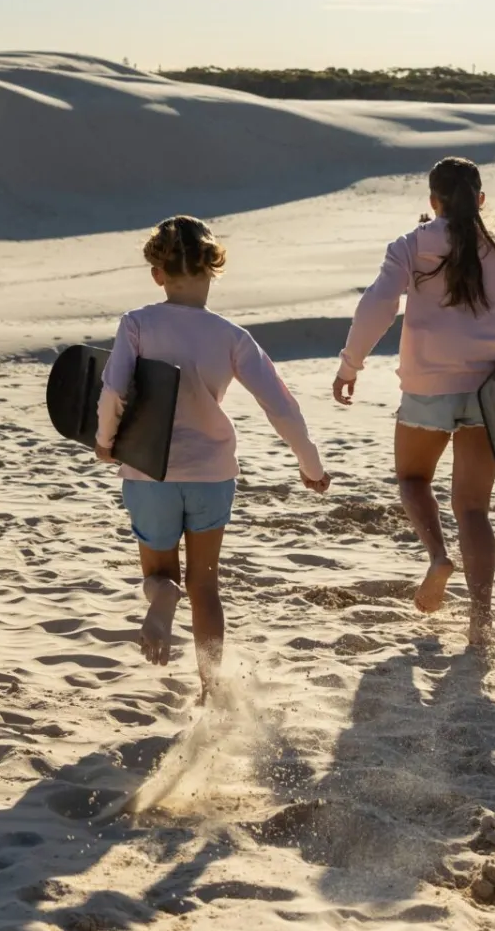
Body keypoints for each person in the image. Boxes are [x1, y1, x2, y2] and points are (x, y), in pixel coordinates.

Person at [96, 217, 330, 700]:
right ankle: (211, 688)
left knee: (161, 575)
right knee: (206, 586)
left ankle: (161, 598)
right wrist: (311, 465)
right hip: (211, 475)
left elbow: (113, 390)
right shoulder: (231, 336)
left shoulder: (137, 323)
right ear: (212, 271)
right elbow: (280, 404)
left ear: (157, 274)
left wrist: (105, 439)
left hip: (150, 470)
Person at [332, 157, 495, 649]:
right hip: (488, 392)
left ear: (433, 201)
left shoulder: (411, 247)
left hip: (426, 387)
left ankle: (437, 556)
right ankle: (481, 621)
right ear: (480, 200)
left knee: (413, 479)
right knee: (473, 508)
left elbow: (377, 306)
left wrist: (351, 365)